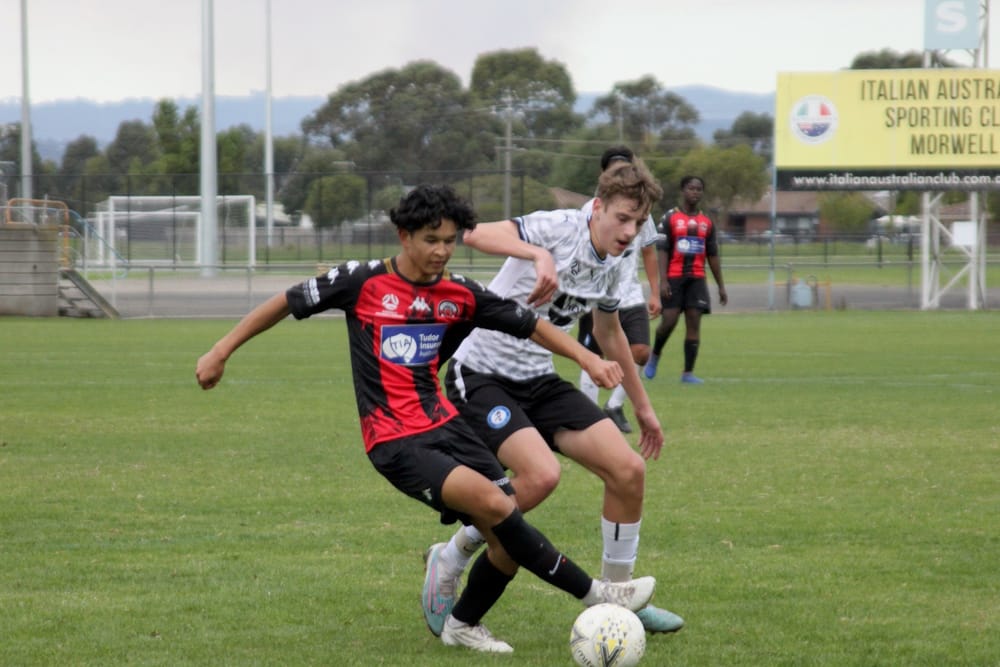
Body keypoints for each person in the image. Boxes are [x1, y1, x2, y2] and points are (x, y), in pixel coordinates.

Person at [195, 184, 657, 655]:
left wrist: (589, 359)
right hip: (394, 438)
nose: (441, 251)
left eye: (450, 241)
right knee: (498, 510)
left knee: (506, 526)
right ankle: (594, 593)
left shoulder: (458, 294)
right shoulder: (362, 281)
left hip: (445, 424)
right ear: (404, 236)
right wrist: (219, 351)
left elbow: (530, 324)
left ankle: (463, 623)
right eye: (431, 240)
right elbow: (287, 301)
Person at [422, 161, 685, 638]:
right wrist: (537, 255)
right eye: (622, 218)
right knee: (541, 477)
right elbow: (475, 234)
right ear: (599, 207)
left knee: (629, 471)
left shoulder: (618, 258)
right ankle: (454, 552)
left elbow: (608, 331)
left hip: (538, 379)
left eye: (638, 223)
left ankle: (618, 602)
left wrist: (643, 407)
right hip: (482, 374)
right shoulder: (558, 227)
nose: (630, 231)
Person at [576, 146, 661, 434]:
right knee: (593, 355)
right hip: (595, 292)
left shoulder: (644, 211)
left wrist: (655, 292)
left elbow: (649, 251)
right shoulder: (591, 209)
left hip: (629, 293)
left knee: (640, 352)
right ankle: (588, 414)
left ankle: (614, 405)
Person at [644, 175, 728, 384]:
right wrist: (663, 281)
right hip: (674, 278)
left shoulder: (706, 222)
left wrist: (721, 286)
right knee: (669, 321)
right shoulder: (670, 218)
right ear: (683, 190)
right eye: (691, 188)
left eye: (699, 189)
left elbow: (713, 255)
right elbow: (662, 250)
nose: (695, 192)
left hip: (697, 279)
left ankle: (687, 373)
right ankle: (655, 355)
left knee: (693, 323)